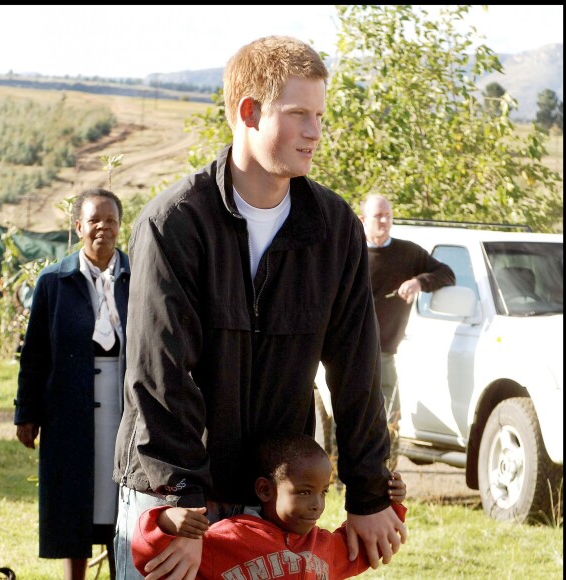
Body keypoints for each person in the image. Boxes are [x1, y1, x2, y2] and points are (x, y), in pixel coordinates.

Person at [114, 35, 406, 579]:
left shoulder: (335, 227)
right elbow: (160, 376)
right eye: (299, 114)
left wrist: (368, 493)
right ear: (248, 111)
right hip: (170, 499)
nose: (316, 132)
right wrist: (183, 503)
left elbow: (357, 367)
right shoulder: (172, 223)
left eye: (320, 114)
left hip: (272, 501)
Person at [14, 188, 130, 580]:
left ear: (120, 226)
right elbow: (35, 354)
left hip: (124, 404)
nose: (103, 228)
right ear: (78, 226)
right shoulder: (54, 281)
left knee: (121, 498)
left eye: (111, 220)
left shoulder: (138, 275)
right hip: (69, 402)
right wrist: (26, 413)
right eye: (94, 220)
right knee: (74, 495)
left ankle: (122, 573)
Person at [131, 433, 407, 579]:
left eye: (323, 492)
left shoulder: (323, 547)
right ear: (265, 490)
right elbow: (149, 558)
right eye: (304, 492)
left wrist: (388, 502)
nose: (317, 505)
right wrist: (167, 522)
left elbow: (367, 546)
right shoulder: (228, 539)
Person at [360, 194, 456, 450]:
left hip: (384, 352)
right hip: (349, 352)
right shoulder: (349, 251)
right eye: (378, 215)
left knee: (389, 418)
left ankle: (388, 478)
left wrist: (418, 282)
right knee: (349, 418)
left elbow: (447, 274)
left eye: (388, 215)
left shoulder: (408, 253)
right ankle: (338, 481)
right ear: (362, 220)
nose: (384, 221)